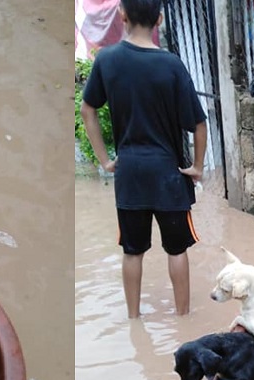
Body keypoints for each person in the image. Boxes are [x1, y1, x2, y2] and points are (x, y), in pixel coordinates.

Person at [79, 0, 207, 319]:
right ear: (160, 20)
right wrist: (198, 167)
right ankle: (183, 317)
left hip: (130, 174)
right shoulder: (172, 64)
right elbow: (199, 123)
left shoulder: (106, 59)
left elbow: (87, 110)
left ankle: (134, 319)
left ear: (122, 15)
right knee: (176, 249)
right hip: (169, 175)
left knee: (132, 251)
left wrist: (106, 160)